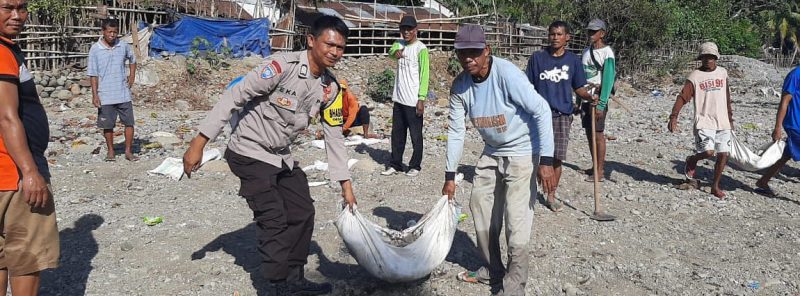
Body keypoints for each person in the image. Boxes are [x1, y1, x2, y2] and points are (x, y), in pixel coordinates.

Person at [182, 15, 357, 295]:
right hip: (248, 151)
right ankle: (276, 286)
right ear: (311, 41)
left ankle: (295, 278)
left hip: (280, 155)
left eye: (340, 48)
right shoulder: (280, 67)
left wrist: (345, 186)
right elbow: (234, 97)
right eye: (330, 44)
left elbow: (334, 136)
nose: (335, 52)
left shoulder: (330, 87)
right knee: (273, 218)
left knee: (302, 211)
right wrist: (199, 142)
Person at [442, 24, 555, 296]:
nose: (468, 58)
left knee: (516, 220)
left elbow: (541, 110)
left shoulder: (506, 74)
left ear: (486, 51)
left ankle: (514, 286)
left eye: (474, 52)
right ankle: (493, 268)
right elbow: (456, 132)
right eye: (462, 53)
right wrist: (449, 176)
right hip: (492, 150)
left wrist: (547, 160)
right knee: (479, 205)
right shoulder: (460, 87)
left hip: (522, 150)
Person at [0, 0, 60, 294]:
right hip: (13, 175)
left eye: (22, 8)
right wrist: (30, 171)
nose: (17, 15)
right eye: (6, 7)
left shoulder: (8, 47)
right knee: (27, 257)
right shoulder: (0, 52)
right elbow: (6, 116)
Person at [525, 21, 596, 212]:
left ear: (567, 37)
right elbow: (527, 87)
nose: (555, 38)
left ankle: (551, 195)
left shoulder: (573, 61)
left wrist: (590, 98)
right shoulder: (537, 59)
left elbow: (579, 87)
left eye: (559, 34)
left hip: (561, 115)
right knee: (533, 155)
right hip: (538, 115)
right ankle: (528, 191)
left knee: (556, 158)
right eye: (552, 34)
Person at [668, 42, 734, 199]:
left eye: (711, 57)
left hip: (722, 119)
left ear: (716, 58)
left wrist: (730, 118)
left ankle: (715, 186)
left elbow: (727, 97)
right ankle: (692, 159)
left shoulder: (723, 73)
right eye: (705, 57)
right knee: (708, 152)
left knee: (724, 154)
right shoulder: (695, 76)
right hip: (704, 120)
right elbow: (683, 97)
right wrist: (674, 116)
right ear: (701, 59)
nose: (708, 61)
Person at [382, 15, 430, 177]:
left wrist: (421, 98)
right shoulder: (399, 44)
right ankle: (395, 164)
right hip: (399, 99)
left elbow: (424, 75)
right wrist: (395, 52)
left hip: (413, 100)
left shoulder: (421, 49)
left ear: (416, 30)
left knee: (416, 136)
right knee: (397, 134)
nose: (406, 31)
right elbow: (390, 52)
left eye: (409, 28)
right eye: (403, 28)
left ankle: (415, 165)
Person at [88, 18, 137, 161]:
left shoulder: (123, 46)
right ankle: (111, 151)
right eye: (109, 32)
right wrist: (95, 95)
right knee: (108, 125)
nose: (112, 35)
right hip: (105, 94)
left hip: (123, 93)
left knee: (129, 123)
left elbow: (132, 59)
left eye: (115, 32)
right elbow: (93, 74)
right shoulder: (95, 49)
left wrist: (132, 76)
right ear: (103, 31)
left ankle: (128, 151)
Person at [754, 66, 800, 197]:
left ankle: (763, 181)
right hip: (796, 123)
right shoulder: (795, 75)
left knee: (787, 154)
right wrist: (777, 127)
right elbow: (784, 101)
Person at [580, 19, 616, 182]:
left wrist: (602, 103)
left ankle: (600, 171)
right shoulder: (586, 51)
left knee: (598, 134)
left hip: (597, 98)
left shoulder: (607, 53)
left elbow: (608, 80)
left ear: (602, 33)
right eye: (589, 31)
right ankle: (595, 165)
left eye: (594, 32)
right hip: (586, 97)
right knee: (589, 133)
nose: (591, 34)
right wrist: (578, 101)